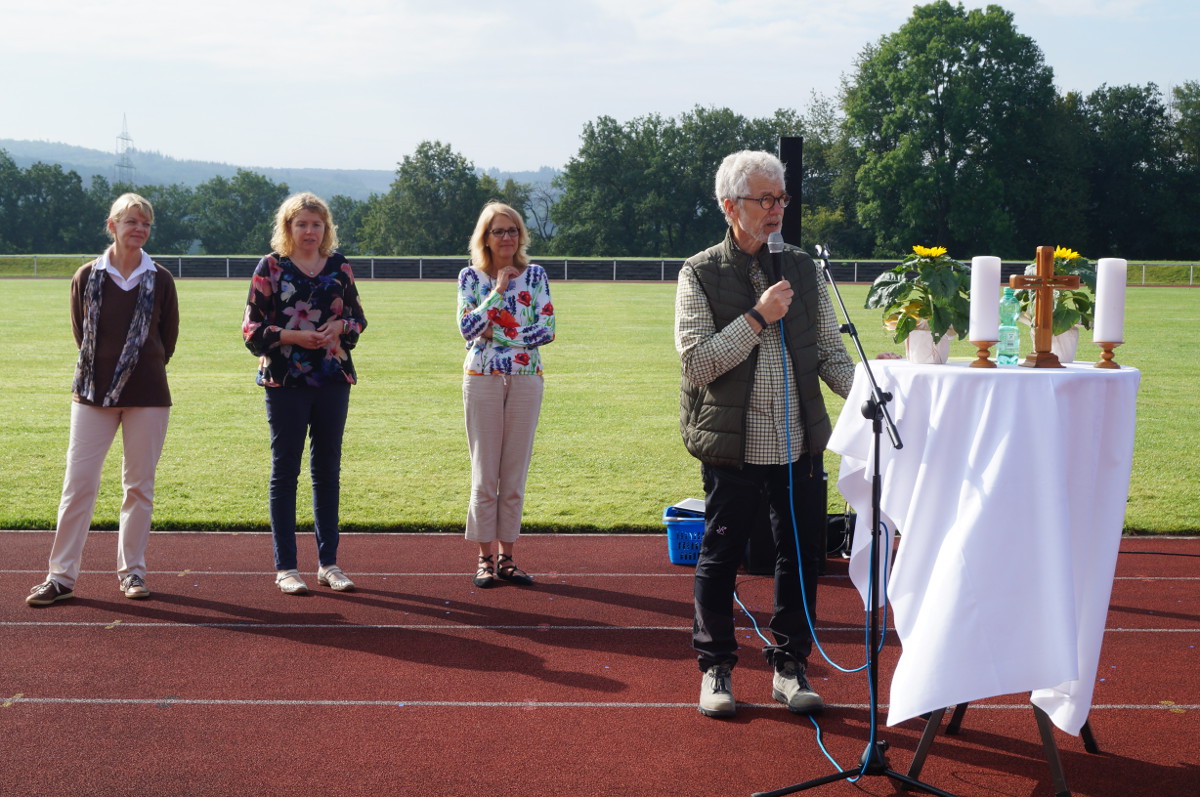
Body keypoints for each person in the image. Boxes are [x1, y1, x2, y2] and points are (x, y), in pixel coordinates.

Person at [675, 150, 859, 718]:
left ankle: (789, 665)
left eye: (781, 199)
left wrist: (873, 393)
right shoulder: (700, 272)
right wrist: (757, 317)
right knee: (721, 555)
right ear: (730, 206)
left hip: (799, 444)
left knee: (802, 558)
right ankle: (716, 669)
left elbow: (830, 351)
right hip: (732, 446)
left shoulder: (803, 268)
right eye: (765, 199)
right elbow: (697, 363)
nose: (777, 209)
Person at [26, 193, 179, 606]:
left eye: (146, 223)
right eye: (131, 222)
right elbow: (83, 337)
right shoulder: (85, 276)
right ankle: (60, 577)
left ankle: (132, 573)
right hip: (92, 395)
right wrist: (107, 375)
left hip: (147, 395)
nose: (140, 229)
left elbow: (167, 341)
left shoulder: (161, 278)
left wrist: (135, 369)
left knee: (138, 487)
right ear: (111, 225)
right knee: (78, 485)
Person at [242, 192, 366, 595]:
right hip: (285, 382)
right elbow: (251, 331)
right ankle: (286, 567)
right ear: (288, 228)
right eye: (302, 224)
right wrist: (293, 335)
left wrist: (341, 328)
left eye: (316, 224)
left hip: (332, 377)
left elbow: (358, 320)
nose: (310, 231)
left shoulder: (339, 265)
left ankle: (329, 563)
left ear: (325, 228)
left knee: (328, 472)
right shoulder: (271, 267)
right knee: (285, 472)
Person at [457, 202, 555, 588]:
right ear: (485, 236)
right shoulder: (470, 277)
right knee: (485, 475)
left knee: (514, 474)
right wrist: (497, 291)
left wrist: (496, 333)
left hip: (526, 378)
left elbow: (546, 329)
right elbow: (467, 327)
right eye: (498, 231)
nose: (507, 237)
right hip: (481, 377)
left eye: (512, 230)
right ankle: (483, 559)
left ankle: (508, 557)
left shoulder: (536, 275)